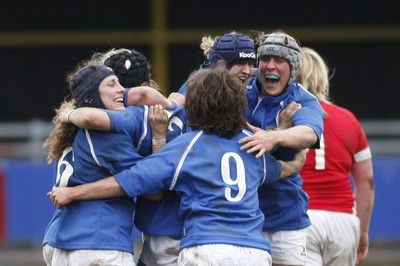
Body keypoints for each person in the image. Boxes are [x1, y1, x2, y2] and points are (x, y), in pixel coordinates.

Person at [49, 65, 308, 266]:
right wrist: (295, 161)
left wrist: (73, 192)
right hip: (255, 250)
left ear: (195, 105)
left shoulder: (187, 147)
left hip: (206, 249)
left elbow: (132, 180)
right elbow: (278, 170)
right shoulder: (253, 146)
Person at [42, 64, 168, 266]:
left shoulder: (74, 128)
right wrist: (159, 137)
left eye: (119, 82)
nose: (121, 89)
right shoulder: (104, 133)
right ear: (90, 98)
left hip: (63, 239)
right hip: (99, 242)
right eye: (112, 84)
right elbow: (152, 188)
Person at [238, 30, 324, 266]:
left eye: (280, 61)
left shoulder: (303, 99)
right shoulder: (240, 89)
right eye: (265, 59)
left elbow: (309, 133)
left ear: (292, 68)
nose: (270, 66)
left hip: (285, 218)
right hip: (242, 218)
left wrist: (274, 138)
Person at [297, 47, 375, 266]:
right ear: (322, 76)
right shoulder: (348, 119)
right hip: (343, 220)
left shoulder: (282, 117)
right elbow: (366, 181)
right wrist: (363, 230)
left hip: (301, 219)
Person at [178, 32, 256, 94]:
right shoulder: (195, 91)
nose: (247, 71)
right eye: (240, 63)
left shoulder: (259, 86)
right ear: (220, 66)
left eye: (251, 64)